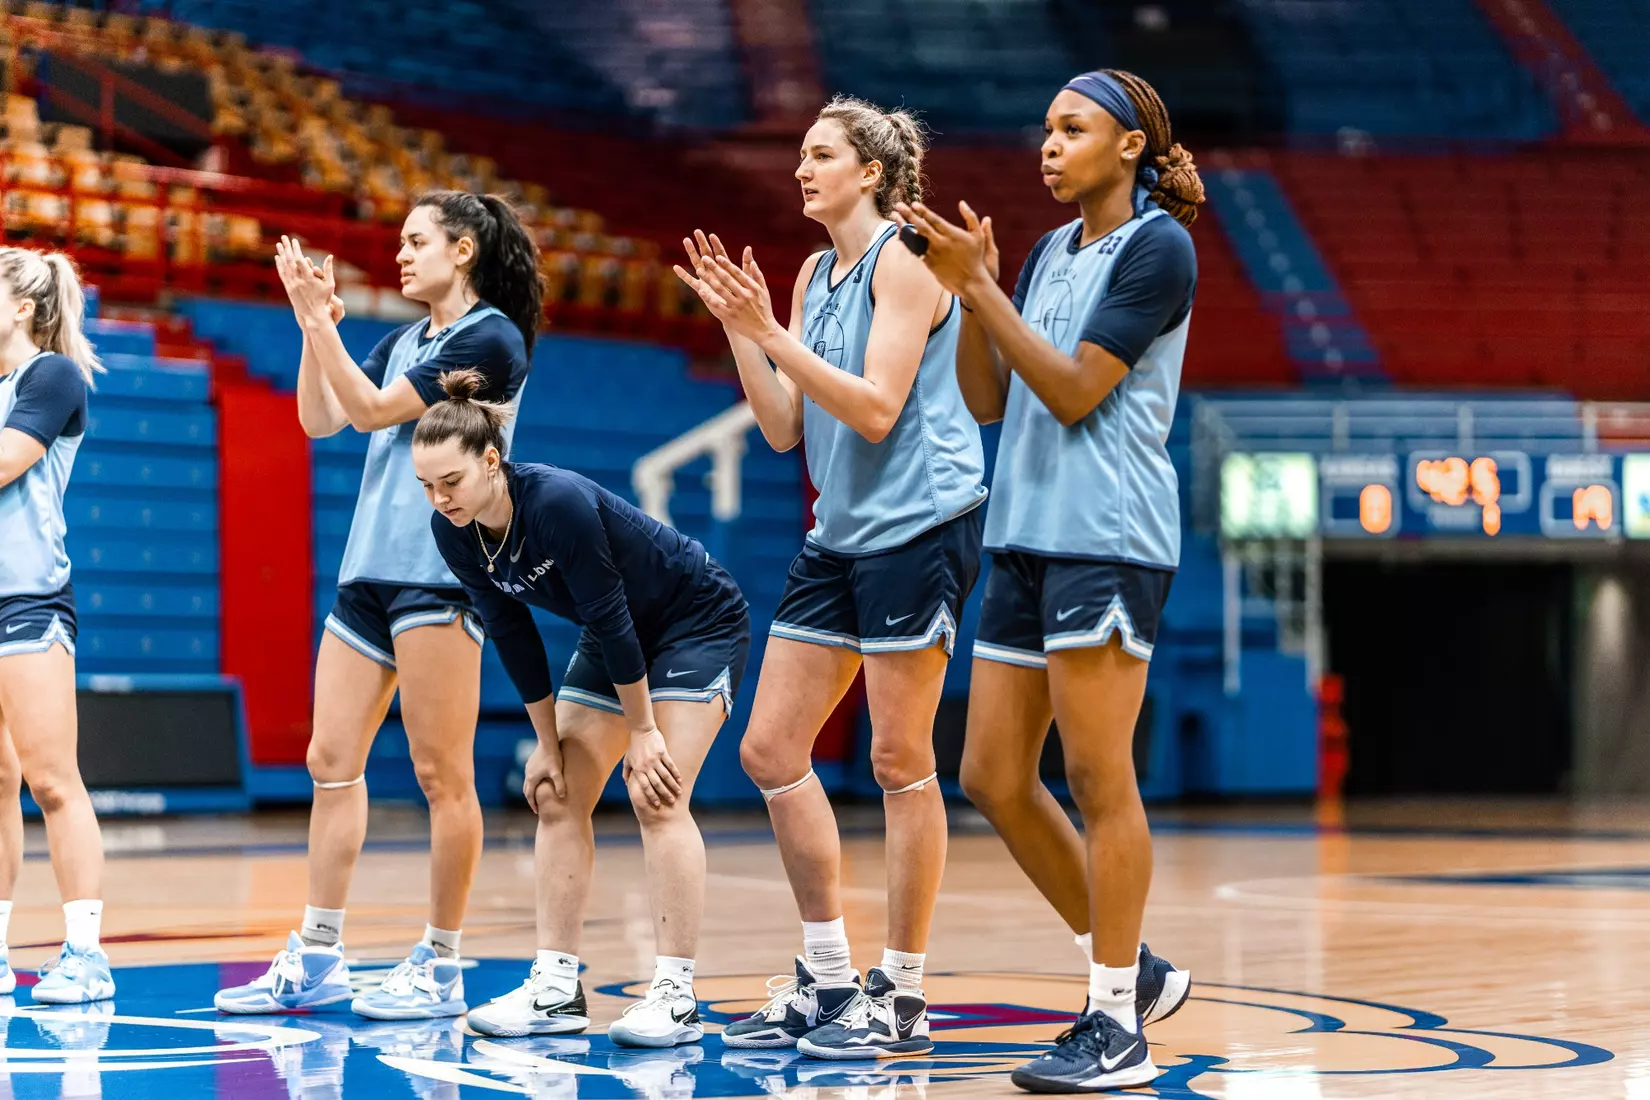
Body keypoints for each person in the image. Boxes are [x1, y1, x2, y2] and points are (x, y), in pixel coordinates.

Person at [894, 68, 1204, 1091]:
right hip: (1026, 531)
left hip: (1108, 535)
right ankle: (1140, 968)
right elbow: (990, 395)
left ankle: (1115, 1017)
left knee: (1097, 777)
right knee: (989, 771)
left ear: (1129, 147)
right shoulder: (1043, 251)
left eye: (1073, 129)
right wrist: (969, 293)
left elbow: (1074, 392)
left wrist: (982, 287)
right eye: (1046, 129)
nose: (1050, 144)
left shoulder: (1160, 246)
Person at [672, 96, 984, 1060]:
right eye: (801, 155)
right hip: (840, 534)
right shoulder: (814, 270)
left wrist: (775, 332)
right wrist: (742, 326)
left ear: (873, 173)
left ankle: (905, 991)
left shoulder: (906, 261)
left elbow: (881, 410)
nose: (801, 169)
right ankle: (830, 977)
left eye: (820, 155)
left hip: (922, 526)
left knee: (900, 761)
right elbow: (783, 426)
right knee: (769, 749)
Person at [215, 192, 540, 1020]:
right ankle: (319, 952)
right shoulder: (403, 340)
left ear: (463, 250)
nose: (400, 255)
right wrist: (308, 325)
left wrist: (321, 324)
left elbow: (368, 409)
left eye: (416, 241)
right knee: (331, 763)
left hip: (443, 574)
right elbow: (322, 418)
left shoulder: (492, 338)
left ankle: (441, 962)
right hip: (367, 575)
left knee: (442, 776)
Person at [412, 370, 751, 1047]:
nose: (439, 497)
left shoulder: (556, 502)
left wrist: (646, 731)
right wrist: (545, 741)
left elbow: (610, 611)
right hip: (615, 635)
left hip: (695, 621)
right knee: (556, 793)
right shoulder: (454, 533)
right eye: (426, 485)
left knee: (658, 793)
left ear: (489, 460)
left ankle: (675, 994)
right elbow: (511, 634)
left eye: (450, 481)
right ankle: (556, 987)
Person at [0, 248, 114, 1004]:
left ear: (20, 306)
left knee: (51, 780)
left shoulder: (51, 374)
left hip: (27, 602)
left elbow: (7, 458)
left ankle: (85, 952)